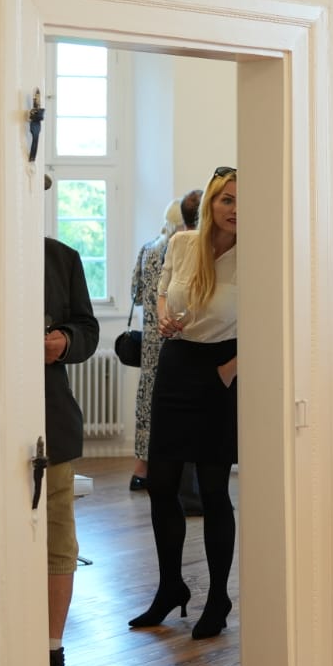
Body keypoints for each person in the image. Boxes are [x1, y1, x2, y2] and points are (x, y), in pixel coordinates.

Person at [130, 167, 239, 640]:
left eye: (244, 201)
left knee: (214, 490)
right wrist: (163, 319)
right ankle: (170, 586)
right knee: (161, 484)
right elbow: (161, 290)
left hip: (222, 369)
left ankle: (218, 597)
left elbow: (271, 321)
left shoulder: (258, 254)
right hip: (176, 365)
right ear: (210, 203)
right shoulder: (181, 244)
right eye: (227, 200)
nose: (236, 210)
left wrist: (229, 371)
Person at [44, 231, 99, 666]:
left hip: (51, 423)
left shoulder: (62, 258)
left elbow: (87, 330)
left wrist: (64, 342)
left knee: (59, 544)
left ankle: (51, 661)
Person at [127, 199, 185, 492]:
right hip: (174, 337)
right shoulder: (180, 251)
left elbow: (135, 295)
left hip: (149, 340)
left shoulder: (148, 248)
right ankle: (171, 474)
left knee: (146, 404)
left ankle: (141, 470)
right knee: (174, 408)